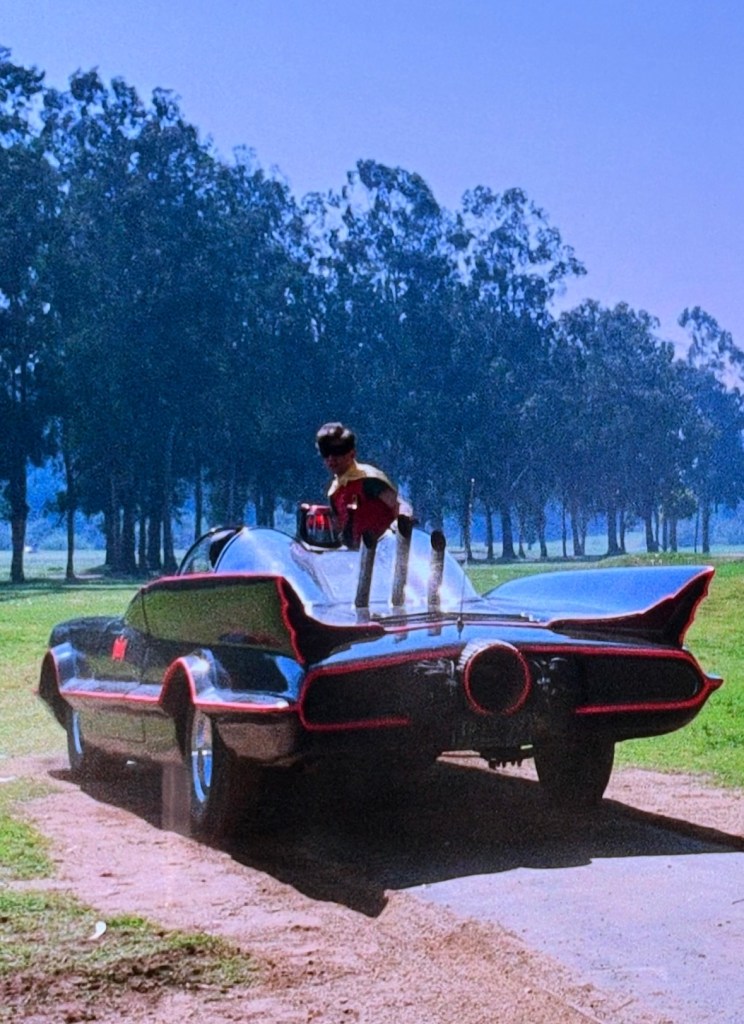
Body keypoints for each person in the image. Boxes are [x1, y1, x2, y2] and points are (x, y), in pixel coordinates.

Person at [315, 422, 400, 547]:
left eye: (338, 451)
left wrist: (403, 522)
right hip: (355, 558)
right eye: (326, 452)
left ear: (352, 453)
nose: (331, 458)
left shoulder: (368, 479)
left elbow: (398, 505)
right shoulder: (334, 491)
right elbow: (341, 530)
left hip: (385, 552)